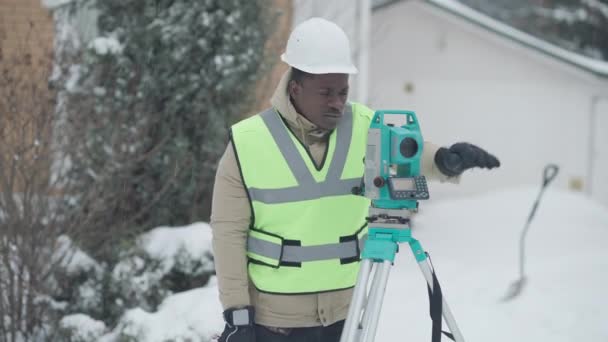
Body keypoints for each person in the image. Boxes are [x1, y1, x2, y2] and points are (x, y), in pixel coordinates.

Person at [211, 17, 499, 342]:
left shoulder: (365, 125)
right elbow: (228, 233)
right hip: (276, 323)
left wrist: (445, 160)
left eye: (342, 91)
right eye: (326, 93)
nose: (337, 102)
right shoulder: (248, 142)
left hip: (345, 317)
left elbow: (405, 149)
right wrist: (237, 316)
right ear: (295, 88)